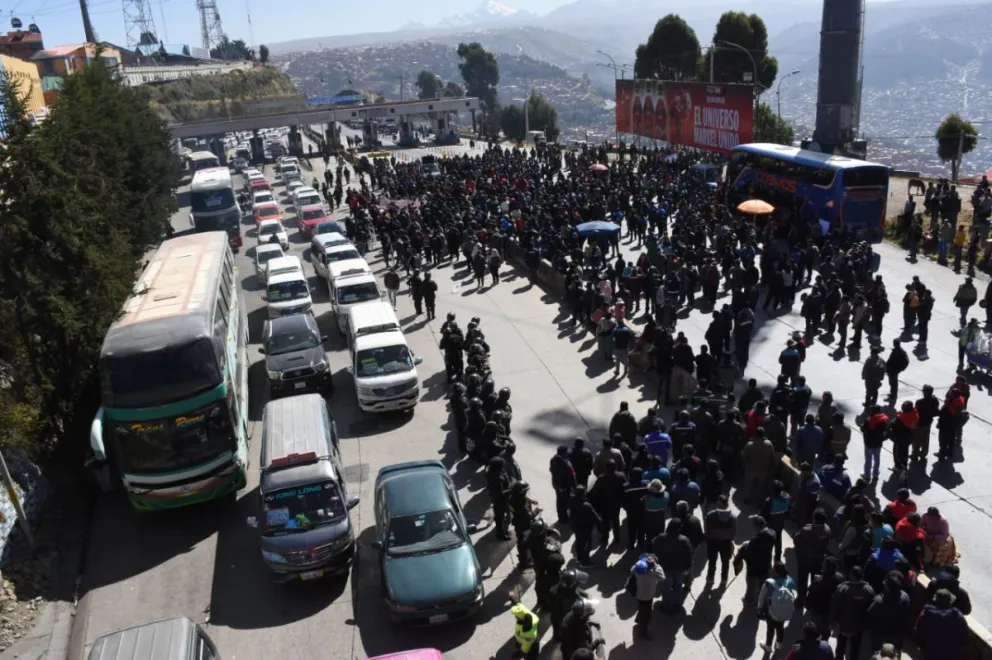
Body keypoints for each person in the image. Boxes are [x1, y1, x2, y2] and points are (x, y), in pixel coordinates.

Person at [830, 566, 875, 660]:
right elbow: (872, 608)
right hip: (859, 626)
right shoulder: (868, 590)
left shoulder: (842, 588)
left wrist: (832, 620)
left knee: (840, 648)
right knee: (855, 649)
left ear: (850, 575)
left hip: (842, 625)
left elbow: (834, 605)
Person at [865, 571, 911, 657]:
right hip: (897, 634)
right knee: (895, 654)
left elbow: (869, 615)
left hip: (879, 634)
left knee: (877, 654)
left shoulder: (879, 601)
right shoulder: (905, 598)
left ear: (888, 587)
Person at [915, 588, 970, 660]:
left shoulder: (926, 612)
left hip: (930, 652)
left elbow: (918, 631)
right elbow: (965, 638)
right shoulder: (957, 616)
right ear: (949, 601)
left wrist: (920, 645)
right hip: (950, 654)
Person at [652, 518, 693, 614]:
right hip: (680, 569)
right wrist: (688, 567)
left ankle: (666, 607)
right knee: (678, 587)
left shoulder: (661, 537)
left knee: (666, 589)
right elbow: (689, 555)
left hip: (665, 568)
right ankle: (677, 605)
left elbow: (653, 546)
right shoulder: (684, 540)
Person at [794, 509, 833, 606]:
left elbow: (796, 541)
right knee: (815, 581)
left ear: (814, 519)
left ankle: (800, 600)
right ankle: (811, 601)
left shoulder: (806, 530)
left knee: (802, 581)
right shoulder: (827, 530)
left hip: (804, 559)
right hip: (818, 559)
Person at [736, 515, 776, 605]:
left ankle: (749, 599)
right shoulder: (772, 533)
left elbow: (747, 554)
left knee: (751, 585)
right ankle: (760, 601)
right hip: (766, 564)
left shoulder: (755, 540)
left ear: (757, 527)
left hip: (754, 567)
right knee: (763, 585)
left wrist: (744, 547)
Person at [757, 561, 796, 653]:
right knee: (780, 626)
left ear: (775, 571)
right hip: (784, 608)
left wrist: (759, 608)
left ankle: (768, 646)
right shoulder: (790, 581)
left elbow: (761, 597)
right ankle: (779, 644)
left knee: (770, 628)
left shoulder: (769, 582)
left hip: (772, 609)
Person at [704, 494, 736, 587]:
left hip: (712, 542)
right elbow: (733, 532)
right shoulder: (732, 517)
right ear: (727, 505)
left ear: (717, 504)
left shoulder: (710, 515)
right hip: (726, 543)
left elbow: (707, 530)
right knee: (725, 562)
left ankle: (710, 579)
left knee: (712, 562)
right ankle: (724, 580)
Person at [630, 554, 665, 639]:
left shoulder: (637, 570)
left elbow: (632, 569)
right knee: (646, 616)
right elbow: (662, 577)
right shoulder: (652, 573)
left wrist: (639, 563)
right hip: (648, 597)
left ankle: (638, 618)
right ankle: (642, 633)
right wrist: (655, 565)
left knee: (641, 607)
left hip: (639, 595)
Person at [549, 446, 576, 525]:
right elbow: (572, 476)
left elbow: (550, 469)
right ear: (564, 453)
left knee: (559, 500)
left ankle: (560, 517)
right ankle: (565, 518)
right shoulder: (566, 464)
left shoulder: (553, 460)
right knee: (565, 501)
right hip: (565, 486)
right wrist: (574, 486)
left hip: (556, 485)